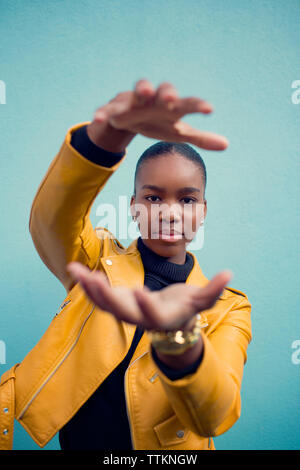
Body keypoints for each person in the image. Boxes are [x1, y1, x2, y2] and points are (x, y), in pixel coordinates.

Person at [28, 79, 252, 450]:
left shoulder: (230, 308)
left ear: (203, 212)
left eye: (187, 200)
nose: (168, 212)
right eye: (152, 197)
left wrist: (179, 338)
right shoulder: (95, 262)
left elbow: (215, 415)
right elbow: (52, 219)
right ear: (133, 208)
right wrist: (106, 138)